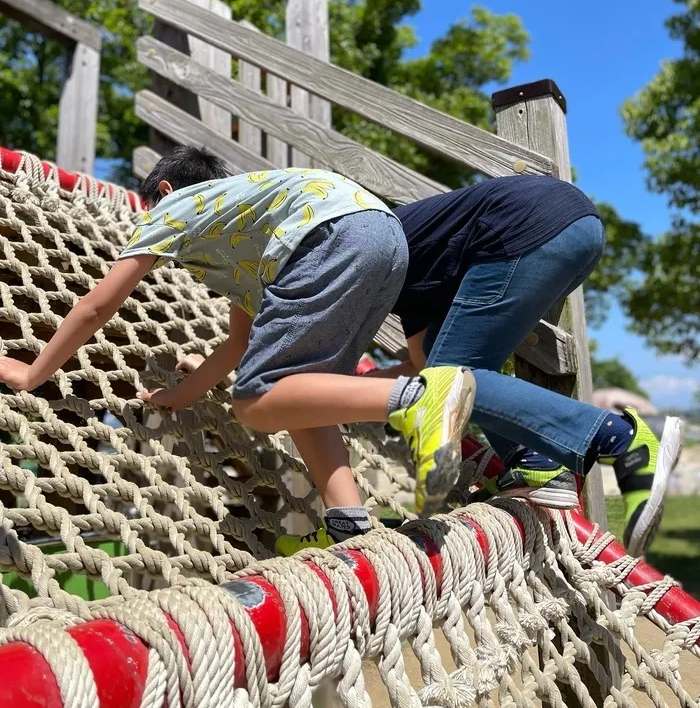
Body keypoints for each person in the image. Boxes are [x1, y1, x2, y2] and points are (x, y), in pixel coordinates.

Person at [0, 146, 474, 519]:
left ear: (165, 189)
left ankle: (416, 398)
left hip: (329, 237)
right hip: (385, 237)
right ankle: (348, 520)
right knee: (299, 392)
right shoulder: (245, 230)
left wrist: (32, 373)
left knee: (255, 401)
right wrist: (183, 393)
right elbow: (238, 343)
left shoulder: (178, 205)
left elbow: (99, 304)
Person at [272, 176, 684, 559]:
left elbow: (435, 382)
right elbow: (422, 363)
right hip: (577, 229)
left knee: (451, 375)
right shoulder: (413, 266)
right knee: (450, 365)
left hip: (529, 223)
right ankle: (538, 464)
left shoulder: (367, 248)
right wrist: (369, 387)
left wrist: (325, 392)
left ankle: (621, 439)